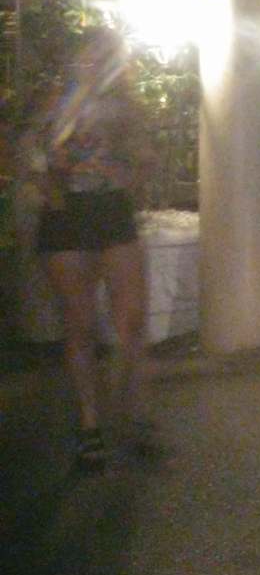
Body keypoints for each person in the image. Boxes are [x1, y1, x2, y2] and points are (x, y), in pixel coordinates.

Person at [24, 26, 160, 475]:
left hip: (112, 211)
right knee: (79, 323)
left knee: (132, 320)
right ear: (76, 57)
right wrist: (49, 178)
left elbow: (147, 158)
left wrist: (130, 175)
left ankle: (133, 411)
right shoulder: (54, 101)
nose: (97, 63)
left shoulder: (126, 107)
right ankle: (89, 425)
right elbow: (28, 154)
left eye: (107, 56)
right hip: (67, 214)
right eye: (91, 54)